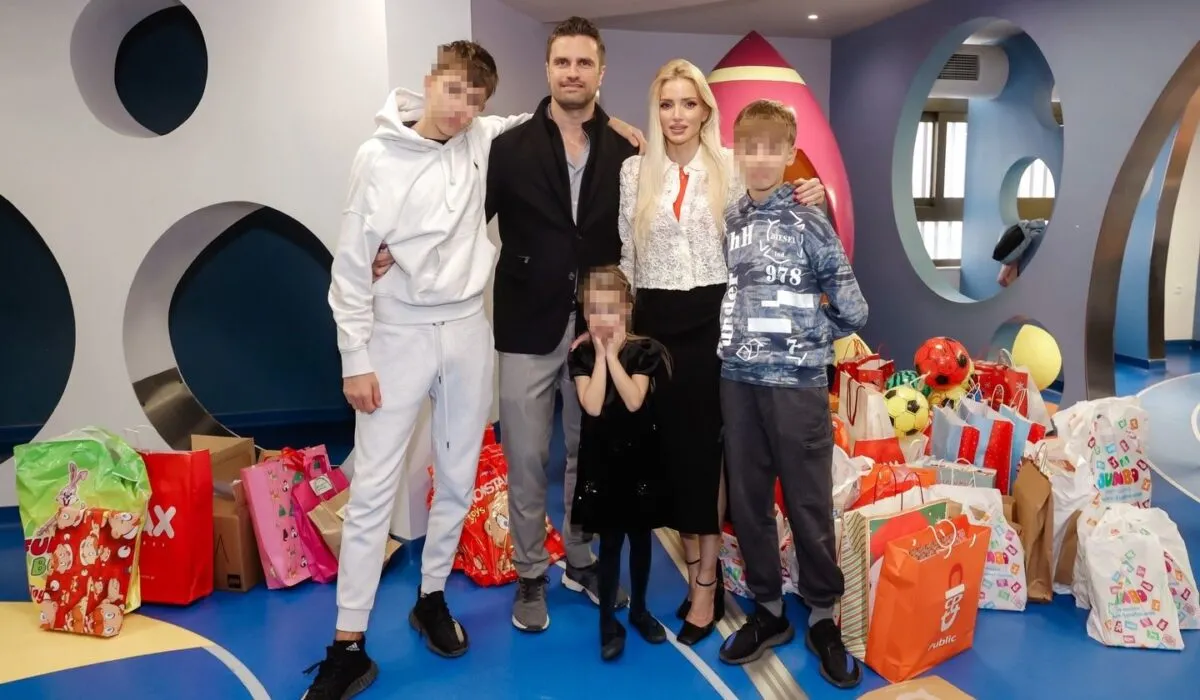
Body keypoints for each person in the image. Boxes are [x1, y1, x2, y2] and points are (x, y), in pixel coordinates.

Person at [305, 41, 535, 699]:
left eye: (476, 101)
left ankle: (431, 596)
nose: (463, 110)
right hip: (396, 334)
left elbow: (541, 120)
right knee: (374, 488)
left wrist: (614, 123)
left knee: (458, 474)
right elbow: (352, 263)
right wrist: (356, 359)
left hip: (466, 330)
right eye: (456, 91)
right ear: (431, 82)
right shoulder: (377, 157)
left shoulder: (480, 138)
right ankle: (348, 645)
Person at [612, 58, 826, 645]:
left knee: (705, 457)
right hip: (654, 326)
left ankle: (707, 581)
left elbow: (775, 204)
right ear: (656, 110)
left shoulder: (730, 167)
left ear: (706, 110)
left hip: (715, 323)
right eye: (667, 104)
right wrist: (618, 332)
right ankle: (695, 569)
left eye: (688, 103)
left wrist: (813, 191)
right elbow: (627, 256)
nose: (677, 115)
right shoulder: (634, 172)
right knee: (667, 458)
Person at [715, 99, 867, 689]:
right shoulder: (730, 219)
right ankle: (769, 611)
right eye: (748, 147)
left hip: (798, 387)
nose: (759, 158)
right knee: (749, 501)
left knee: (807, 502)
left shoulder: (811, 220)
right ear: (737, 151)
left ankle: (824, 617)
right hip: (738, 383)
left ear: (788, 151)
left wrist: (807, 334)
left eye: (770, 148)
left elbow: (854, 309)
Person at [568, 265, 670, 661]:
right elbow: (592, 405)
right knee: (609, 544)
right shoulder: (580, 355)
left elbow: (633, 399)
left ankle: (640, 609)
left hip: (639, 460)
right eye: (594, 310)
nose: (602, 318)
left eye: (610, 309)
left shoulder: (645, 351)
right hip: (602, 464)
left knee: (641, 539)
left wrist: (612, 357)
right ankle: (607, 620)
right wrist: (600, 358)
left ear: (626, 309)